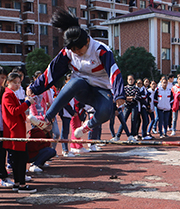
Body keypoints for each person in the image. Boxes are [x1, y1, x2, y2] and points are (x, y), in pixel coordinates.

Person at [27, 9, 125, 139]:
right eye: (73, 50)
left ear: (87, 42)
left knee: (106, 111)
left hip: (101, 91)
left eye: (79, 49)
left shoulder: (100, 50)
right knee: (74, 82)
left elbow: (114, 71)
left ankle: (87, 126)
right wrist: (34, 88)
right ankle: (47, 119)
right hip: (82, 89)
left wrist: (119, 94)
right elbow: (52, 71)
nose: (76, 52)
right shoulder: (68, 53)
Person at [2, 72, 37, 193]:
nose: (17, 85)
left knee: (18, 159)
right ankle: (21, 184)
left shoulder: (11, 94)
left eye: (19, 82)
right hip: (14, 131)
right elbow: (14, 111)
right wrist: (27, 103)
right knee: (20, 159)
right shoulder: (7, 95)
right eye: (15, 83)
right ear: (8, 82)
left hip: (17, 130)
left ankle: (18, 183)